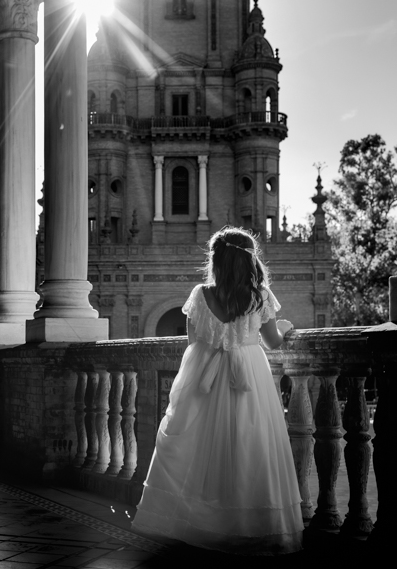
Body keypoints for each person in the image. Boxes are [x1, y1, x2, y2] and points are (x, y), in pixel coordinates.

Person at [131, 226, 303, 555]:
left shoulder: (201, 295)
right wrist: (283, 327)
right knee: (248, 445)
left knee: (201, 449)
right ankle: (247, 524)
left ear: (217, 260)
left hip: (205, 376)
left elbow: (193, 343)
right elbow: (272, 342)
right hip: (249, 373)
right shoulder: (261, 295)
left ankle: (203, 522)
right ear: (250, 260)